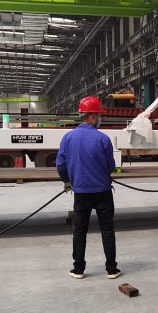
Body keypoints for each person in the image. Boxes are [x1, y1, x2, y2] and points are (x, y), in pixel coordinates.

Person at [56, 96, 120, 280]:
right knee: (107, 230)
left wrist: (67, 181)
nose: (99, 120)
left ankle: (78, 269)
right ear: (92, 117)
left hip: (81, 193)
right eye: (98, 116)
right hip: (102, 192)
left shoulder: (68, 138)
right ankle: (111, 270)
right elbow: (110, 166)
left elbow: (60, 165)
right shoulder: (102, 138)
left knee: (79, 231)